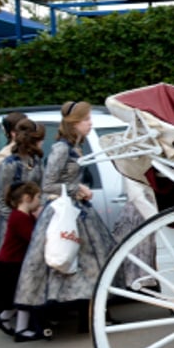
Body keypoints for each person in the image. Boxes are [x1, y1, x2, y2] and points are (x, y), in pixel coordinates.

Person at [15, 102, 117, 327]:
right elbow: (48, 183)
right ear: (73, 124)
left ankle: (92, 316)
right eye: (86, 119)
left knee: (91, 262)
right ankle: (82, 317)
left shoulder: (74, 146)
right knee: (69, 261)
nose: (90, 123)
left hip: (78, 211)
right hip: (64, 211)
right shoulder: (61, 148)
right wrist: (77, 189)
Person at [0, 116, 42, 316]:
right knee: (0, 263)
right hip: (6, 215)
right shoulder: (7, 158)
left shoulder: (34, 159)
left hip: (23, 213)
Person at [0, 181, 42, 341]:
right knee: (22, 297)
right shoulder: (19, 218)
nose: (40, 201)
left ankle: (3, 319)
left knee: (18, 297)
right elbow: (33, 238)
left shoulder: (22, 216)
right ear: (27, 198)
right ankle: (21, 330)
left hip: (11, 262)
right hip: (10, 264)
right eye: (38, 197)